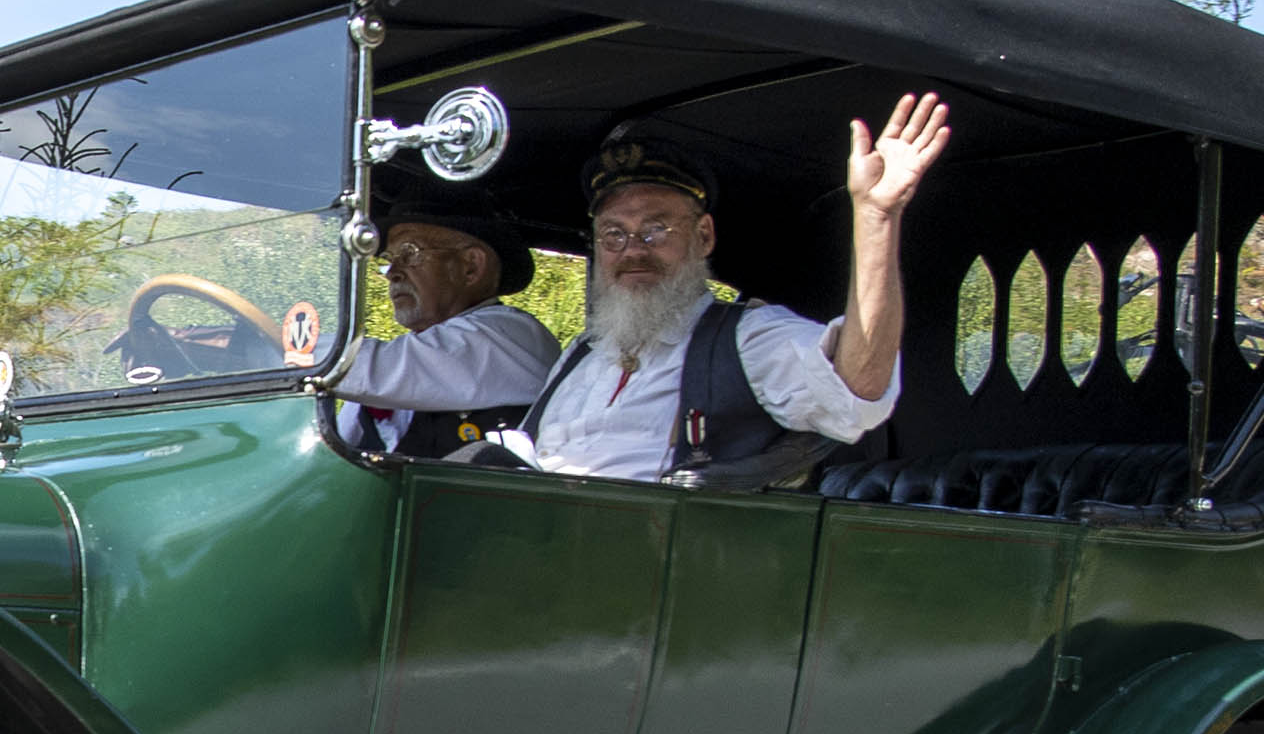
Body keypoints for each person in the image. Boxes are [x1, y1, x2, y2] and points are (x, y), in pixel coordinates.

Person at [522, 97, 951, 485]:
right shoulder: (582, 352)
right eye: (613, 234)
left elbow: (858, 391)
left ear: (704, 237)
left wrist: (877, 216)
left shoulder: (747, 339)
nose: (633, 250)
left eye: (656, 230)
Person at [331, 188, 560, 458]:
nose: (392, 273)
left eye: (409, 253)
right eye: (389, 260)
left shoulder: (512, 335)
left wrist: (285, 347)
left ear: (470, 266)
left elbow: (368, 370)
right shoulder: (405, 364)